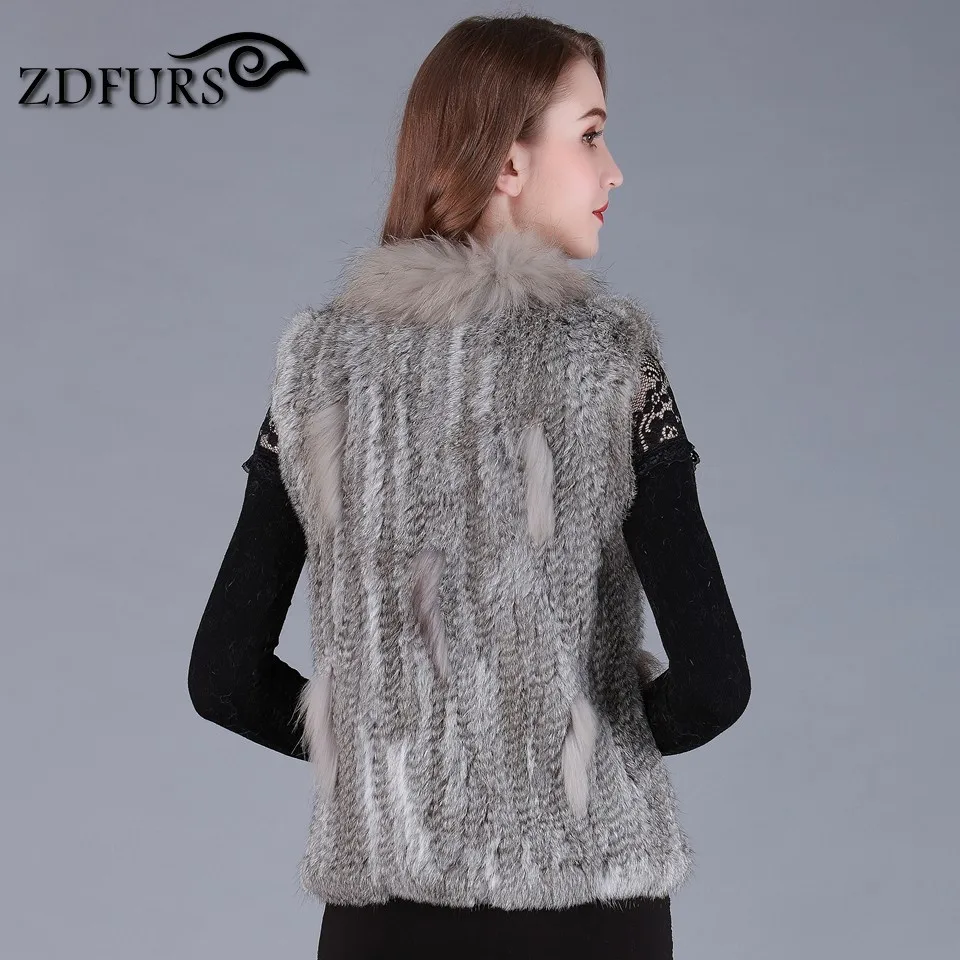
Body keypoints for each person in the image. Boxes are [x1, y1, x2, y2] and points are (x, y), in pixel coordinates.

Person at [188, 13, 751, 959]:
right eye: (591, 135)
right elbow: (715, 684)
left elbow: (224, 676)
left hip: (383, 920)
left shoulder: (318, 367)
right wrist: (570, 754)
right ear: (508, 161)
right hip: (589, 919)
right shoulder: (610, 363)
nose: (614, 171)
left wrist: (388, 757)